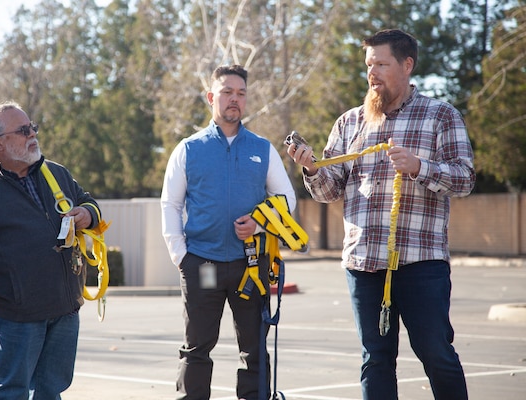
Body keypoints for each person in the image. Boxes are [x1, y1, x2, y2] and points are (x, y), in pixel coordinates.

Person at [287, 29, 475, 400]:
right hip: (364, 264)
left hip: (421, 263)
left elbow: (466, 179)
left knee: (437, 355)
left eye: (381, 64)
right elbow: (329, 191)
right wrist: (310, 169)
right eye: (368, 64)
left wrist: (419, 166)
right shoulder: (350, 123)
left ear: (407, 65)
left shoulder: (440, 116)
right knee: (375, 360)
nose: (372, 73)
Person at [0, 101, 102, 399]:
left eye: (32, 128)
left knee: (51, 390)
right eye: (23, 130)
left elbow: (89, 202)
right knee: (11, 390)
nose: (32, 135)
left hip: (64, 308)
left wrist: (87, 215)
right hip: (15, 313)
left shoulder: (57, 174)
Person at [161, 64, 296, 400]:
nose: (234, 99)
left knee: (254, 349)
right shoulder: (189, 149)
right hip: (203, 266)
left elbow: (287, 199)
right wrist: (181, 256)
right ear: (211, 97)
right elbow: (170, 205)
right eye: (227, 92)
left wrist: (260, 222)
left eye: (241, 93)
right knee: (197, 347)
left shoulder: (262, 149)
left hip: (248, 266)